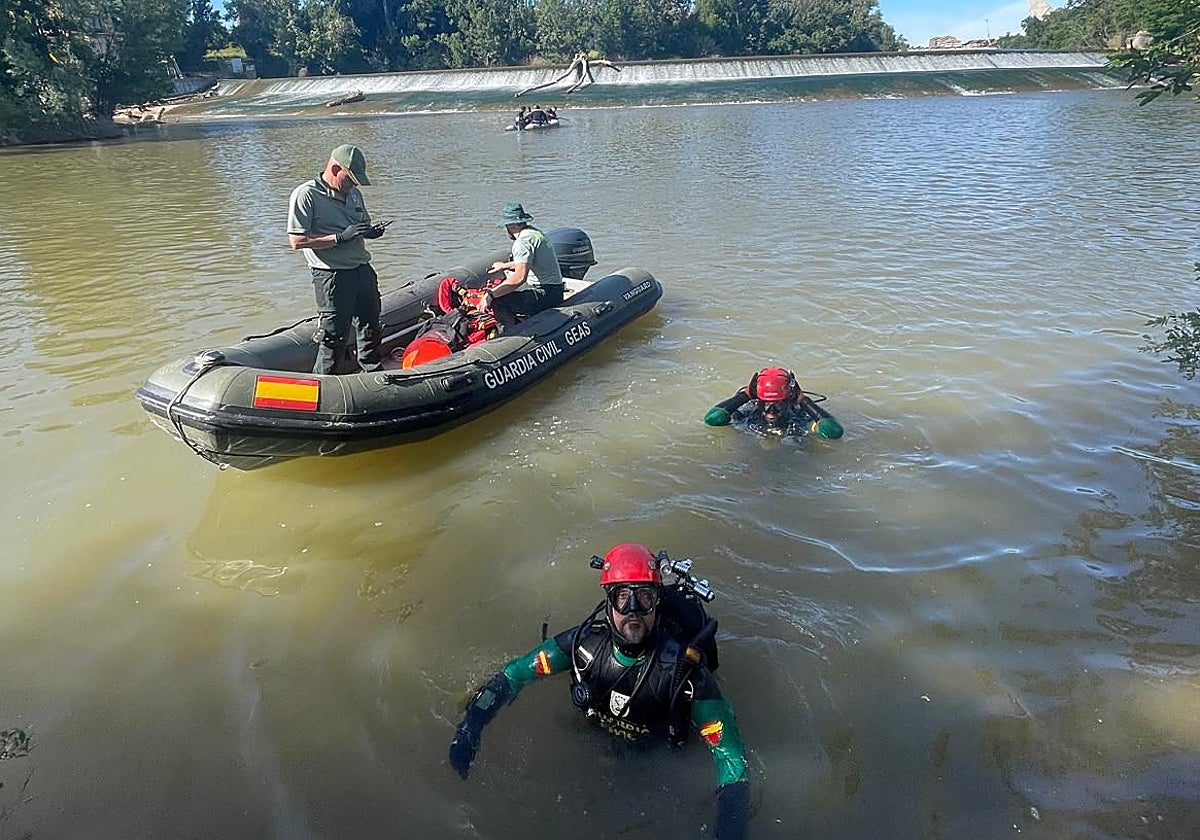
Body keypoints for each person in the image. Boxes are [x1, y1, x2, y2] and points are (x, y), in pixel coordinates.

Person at [448, 543, 750, 840]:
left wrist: (730, 830)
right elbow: (513, 675)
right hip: (592, 736)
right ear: (608, 601)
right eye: (622, 598)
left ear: (657, 602)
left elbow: (731, 760)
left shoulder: (684, 674)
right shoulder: (583, 647)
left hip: (656, 753)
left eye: (643, 598)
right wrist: (471, 726)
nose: (633, 611)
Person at [287, 144, 390, 375]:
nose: (353, 185)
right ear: (334, 169)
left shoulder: (354, 194)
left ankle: (373, 375)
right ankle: (323, 383)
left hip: (362, 269)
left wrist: (369, 232)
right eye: (350, 179)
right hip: (332, 276)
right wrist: (338, 238)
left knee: (371, 325)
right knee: (333, 336)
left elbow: (359, 225)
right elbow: (296, 241)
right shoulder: (306, 194)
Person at [479, 202, 565, 329]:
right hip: (556, 290)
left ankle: (509, 336)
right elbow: (529, 262)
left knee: (498, 302)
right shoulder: (534, 233)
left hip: (544, 294)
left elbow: (520, 278)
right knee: (505, 290)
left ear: (510, 225)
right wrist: (504, 266)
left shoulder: (522, 243)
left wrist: (490, 295)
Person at [704, 367, 844, 439]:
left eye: (777, 404)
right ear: (757, 400)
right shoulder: (749, 414)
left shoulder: (798, 418)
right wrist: (745, 395)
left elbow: (834, 432)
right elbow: (712, 419)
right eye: (765, 403)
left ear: (788, 401)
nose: (771, 410)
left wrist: (803, 401)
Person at [514, 51, 622, 98]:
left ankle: (572, 90)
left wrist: (613, 66)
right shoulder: (580, 62)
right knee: (557, 81)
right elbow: (581, 75)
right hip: (577, 73)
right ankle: (523, 92)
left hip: (581, 71)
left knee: (589, 81)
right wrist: (572, 89)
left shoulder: (585, 63)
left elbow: (601, 62)